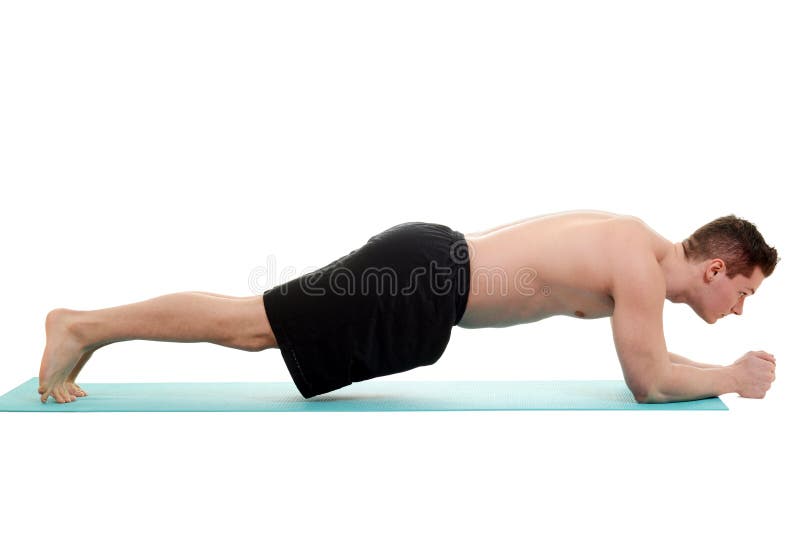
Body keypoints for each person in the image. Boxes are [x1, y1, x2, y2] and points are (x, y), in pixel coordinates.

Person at [37, 210, 780, 405]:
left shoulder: (637, 251)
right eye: (743, 293)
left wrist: (714, 370)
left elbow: (655, 357)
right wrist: (732, 378)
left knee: (255, 326)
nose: (739, 310)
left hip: (429, 268)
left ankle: (88, 328)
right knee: (251, 325)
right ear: (717, 267)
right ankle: (82, 325)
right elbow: (648, 380)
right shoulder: (640, 266)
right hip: (424, 275)